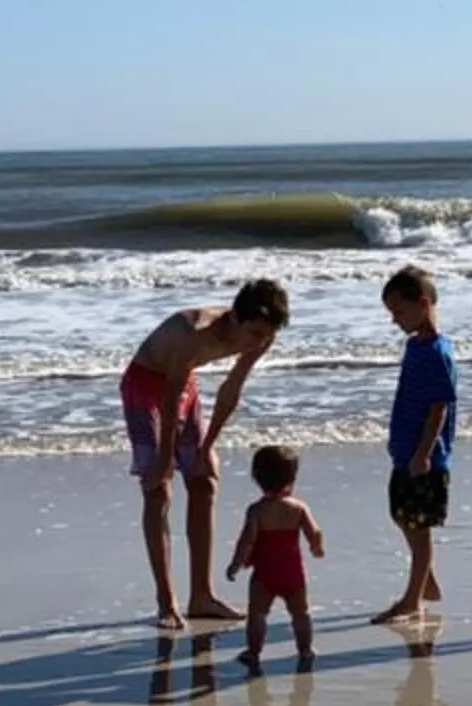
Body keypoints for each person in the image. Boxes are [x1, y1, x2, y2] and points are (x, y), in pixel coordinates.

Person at [120, 280, 291, 629]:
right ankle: (166, 601)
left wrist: (207, 447)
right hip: (146, 384)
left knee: (204, 481)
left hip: (183, 386)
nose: (259, 343)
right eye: (255, 333)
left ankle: (202, 596)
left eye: (266, 335)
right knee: (158, 489)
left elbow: (231, 391)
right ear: (237, 318)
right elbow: (168, 398)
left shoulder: (263, 335)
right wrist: (166, 458)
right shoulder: (193, 332)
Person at [372, 265, 458, 625]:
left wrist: (424, 452)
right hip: (406, 449)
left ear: (423, 304)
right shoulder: (415, 346)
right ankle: (428, 583)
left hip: (425, 455)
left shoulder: (438, 351)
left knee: (418, 527)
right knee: (401, 515)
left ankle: (413, 599)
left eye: (399, 311)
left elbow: (440, 407)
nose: (395, 320)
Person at [226, 443, 325, 673]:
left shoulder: (257, 511)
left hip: (265, 574)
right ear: (292, 477)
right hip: (293, 572)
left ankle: (253, 652)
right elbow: (315, 532)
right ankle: (305, 649)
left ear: (256, 478)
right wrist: (316, 548)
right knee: (301, 613)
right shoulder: (299, 508)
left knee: (257, 614)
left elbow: (246, 541)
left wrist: (236, 563)